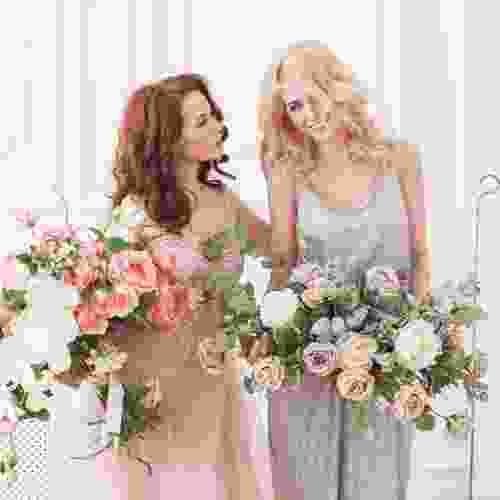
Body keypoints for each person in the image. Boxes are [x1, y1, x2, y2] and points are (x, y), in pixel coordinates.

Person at [257, 42, 464, 500]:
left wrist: (420, 344)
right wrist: (266, 338)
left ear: (337, 88)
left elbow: (421, 256)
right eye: (294, 106)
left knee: (378, 485)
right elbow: (283, 263)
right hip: (310, 359)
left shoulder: (400, 158)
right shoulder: (288, 172)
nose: (308, 115)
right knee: (304, 485)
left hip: (383, 360)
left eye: (314, 97)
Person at [102, 73, 273, 500]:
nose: (219, 126)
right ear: (170, 141)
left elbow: (284, 252)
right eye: (202, 121)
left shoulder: (225, 202)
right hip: (155, 386)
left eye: (213, 115)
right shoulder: (135, 211)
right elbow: (107, 303)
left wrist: (284, 175)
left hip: (214, 378)